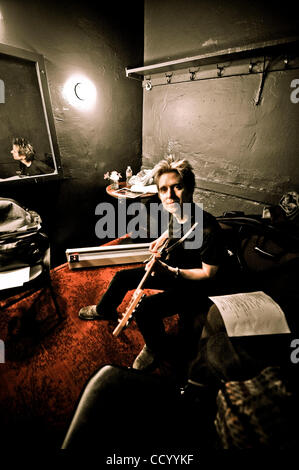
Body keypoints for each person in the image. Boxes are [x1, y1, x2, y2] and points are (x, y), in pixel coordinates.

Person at [78, 157, 230, 372]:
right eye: (163, 189)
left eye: (177, 187)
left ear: (190, 188)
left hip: (195, 287)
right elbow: (176, 228)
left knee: (145, 310)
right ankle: (104, 310)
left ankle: (155, 347)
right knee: (122, 277)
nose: (169, 196)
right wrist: (164, 237)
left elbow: (209, 274)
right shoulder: (176, 212)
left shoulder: (208, 229)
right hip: (172, 269)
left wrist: (171, 271)